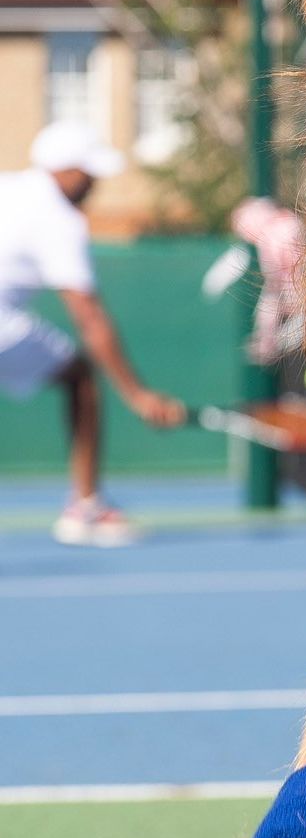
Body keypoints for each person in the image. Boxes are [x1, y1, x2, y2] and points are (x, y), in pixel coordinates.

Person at [0, 122, 184, 546]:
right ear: (64, 171)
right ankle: (85, 506)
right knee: (80, 375)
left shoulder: (11, 188)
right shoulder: (59, 219)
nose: (93, 183)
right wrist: (137, 394)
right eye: (87, 173)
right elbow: (90, 317)